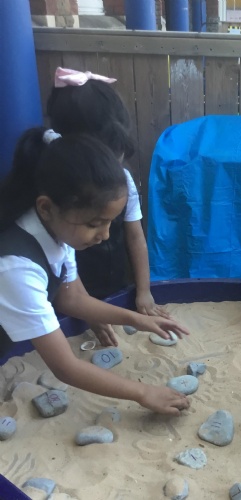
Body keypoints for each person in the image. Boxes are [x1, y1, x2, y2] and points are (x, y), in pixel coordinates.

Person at [0, 128, 190, 416]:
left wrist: (136, 318)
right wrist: (143, 392)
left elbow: (71, 297)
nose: (105, 234)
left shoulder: (55, 228)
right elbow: (65, 367)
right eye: (94, 224)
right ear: (46, 207)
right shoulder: (16, 266)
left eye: (110, 222)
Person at [47, 67, 163, 348]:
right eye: (94, 222)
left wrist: (143, 290)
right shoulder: (54, 193)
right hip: (69, 294)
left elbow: (135, 236)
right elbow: (65, 276)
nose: (106, 233)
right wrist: (87, 308)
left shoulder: (122, 181)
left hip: (112, 283)